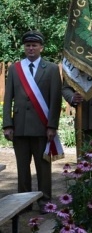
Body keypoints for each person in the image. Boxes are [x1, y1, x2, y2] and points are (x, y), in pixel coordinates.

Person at [2, 31, 62, 213]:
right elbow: (8, 98)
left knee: (43, 167)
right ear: (24, 47)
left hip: (42, 128)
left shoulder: (51, 69)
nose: (31, 48)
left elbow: (55, 100)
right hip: (19, 127)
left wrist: (52, 126)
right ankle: (23, 202)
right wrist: (7, 124)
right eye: (28, 45)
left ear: (41, 47)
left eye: (34, 45)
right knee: (22, 167)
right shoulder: (15, 69)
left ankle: (45, 201)